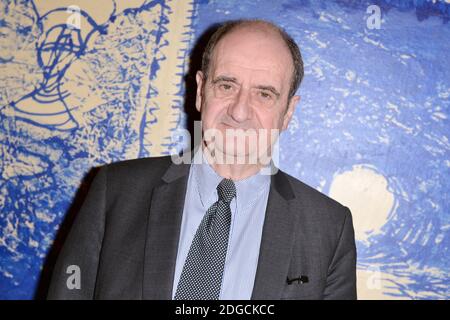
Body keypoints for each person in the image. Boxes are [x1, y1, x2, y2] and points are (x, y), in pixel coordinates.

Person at [47, 19, 357, 300]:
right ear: (200, 91)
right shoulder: (115, 193)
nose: (239, 111)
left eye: (264, 94)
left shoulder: (328, 228)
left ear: (288, 111)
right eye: (226, 85)